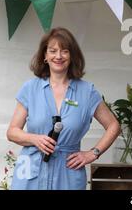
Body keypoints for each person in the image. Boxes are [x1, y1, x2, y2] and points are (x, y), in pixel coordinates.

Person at [7, 27, 120, 190]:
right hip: (31, 172)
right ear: (45, 55)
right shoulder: (30, 88)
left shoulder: (87, 92)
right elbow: (12, 132)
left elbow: (113, 126)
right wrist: (35, 139)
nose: (58, 56)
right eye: (53, 51)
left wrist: (93, 153)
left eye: (64, 51)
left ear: (72, 56)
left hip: (68, 172)